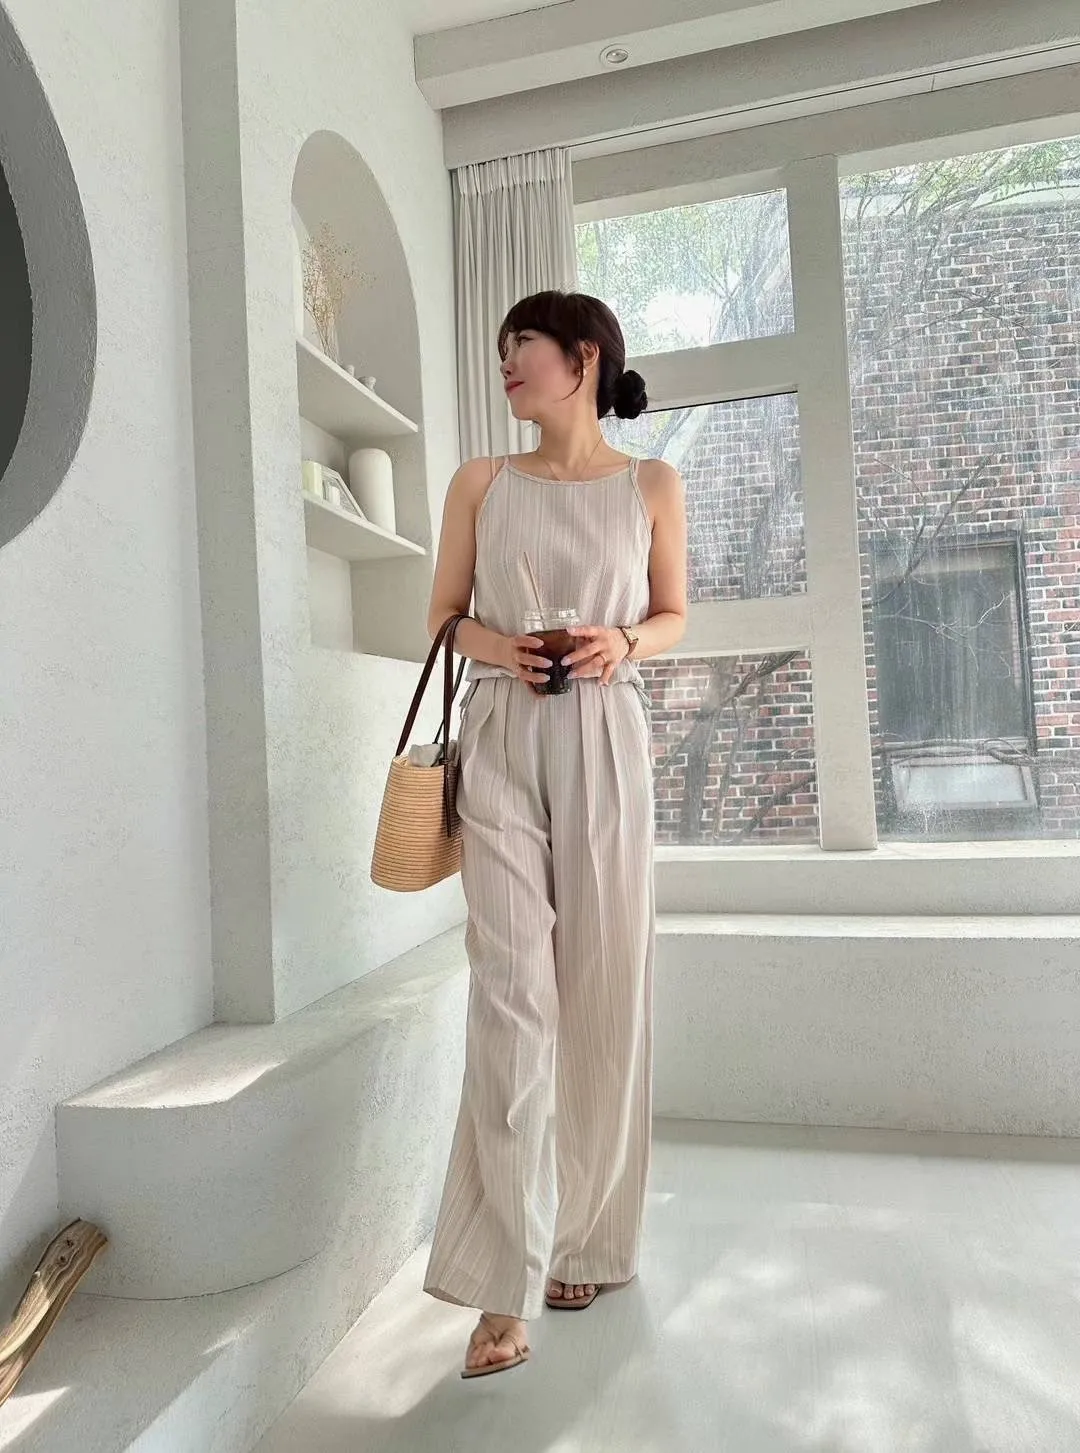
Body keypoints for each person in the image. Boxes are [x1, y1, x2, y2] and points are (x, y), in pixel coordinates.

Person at [422, 289, 687, 1378]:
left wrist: (622, 642)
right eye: (500, 348)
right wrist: (506, 646)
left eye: (519, 344)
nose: (505, 361)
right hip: (500, 736)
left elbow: (674, 614)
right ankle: (501, 1286)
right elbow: (441, 616)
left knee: (604, 990)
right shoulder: (481, 482)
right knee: (511, 996)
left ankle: (587, 1239)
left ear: (582, 357)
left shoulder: (651, 484)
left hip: (608, 742)